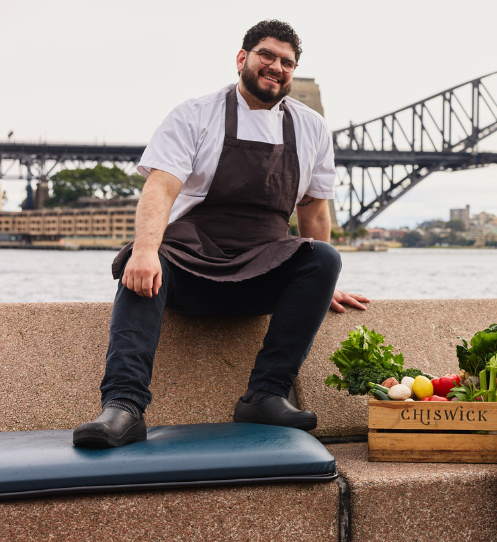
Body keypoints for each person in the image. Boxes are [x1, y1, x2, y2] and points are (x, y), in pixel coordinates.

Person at [73, 20, 369, 449]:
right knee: (143, 266)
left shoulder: (311, 128)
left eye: (287, 62)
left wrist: (325, 287)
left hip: (263, 268)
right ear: (242, 58)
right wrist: (145, 250)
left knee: (324, 260)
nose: (276, 66)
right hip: (191, 264)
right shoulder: (195, 115)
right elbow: (160, 187)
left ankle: (265, 396)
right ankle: (123, 407)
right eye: (267, 55)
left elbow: (314, 211)